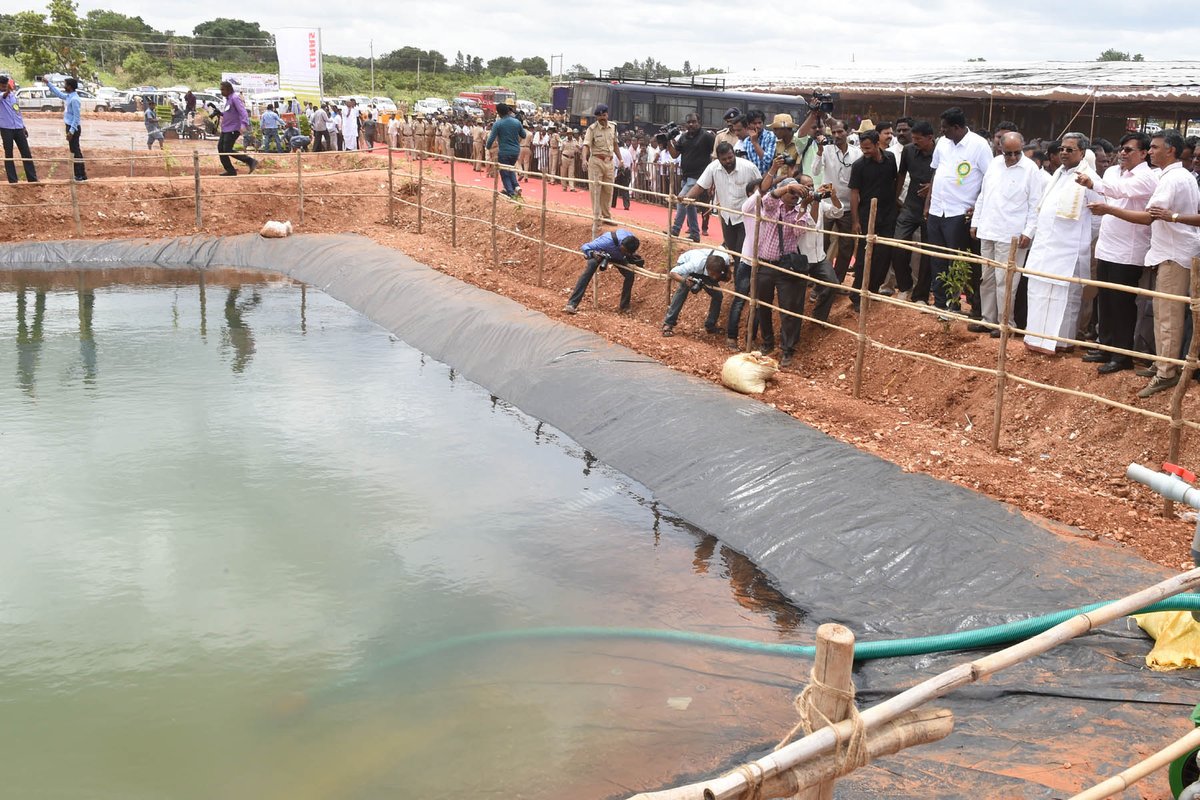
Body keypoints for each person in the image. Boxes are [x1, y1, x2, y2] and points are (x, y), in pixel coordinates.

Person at [1089, 131, 1200, 397]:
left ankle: (1166, 372)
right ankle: (1162, 363)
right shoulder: (1175, 176)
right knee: (1162, 312)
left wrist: (1110, 209)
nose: (1150, 152)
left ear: (1170, 150)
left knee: (1168, 315)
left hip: (1174, 253)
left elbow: (1148, 218)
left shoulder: (1173, 179)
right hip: (1168, 252)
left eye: (1154, 147)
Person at [1074, 132, 1157, 374]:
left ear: (1143, 154)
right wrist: (1096, 185)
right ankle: (1106, 346)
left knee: (1122, 303)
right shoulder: (1111, 173)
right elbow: (1110, 188)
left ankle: (1122, 355)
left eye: (1129, 149)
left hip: (1129, 251)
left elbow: (1121, 191)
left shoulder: (1146, 177)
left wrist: (1092, 183)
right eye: (1122, 148)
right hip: (1107, 246)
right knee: (1106, 300)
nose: (1123, 153)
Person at [1022, 132, 1099, 354]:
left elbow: (1098, 217)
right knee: (1038, 292)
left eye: (1070, 149)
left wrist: (1080, 238)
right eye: (1062, 149)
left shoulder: (1089, 178)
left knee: (1064, 298)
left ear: (1082, 152)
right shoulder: (1057, 173)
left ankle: (1061, 343)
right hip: (1044, 247)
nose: (1064, 152)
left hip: (1068, 250)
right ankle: (1036, 339)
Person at [969, 132, 1042, 334]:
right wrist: (976, 222)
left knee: (1007, 281)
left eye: (1016, 153)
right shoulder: (994, 164)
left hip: (1012, 235)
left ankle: (1006, 324)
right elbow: (984, 195)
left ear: (1023, 148)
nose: (1012, 158)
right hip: (988, 230)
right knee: (987, 279)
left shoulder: (1030, 170)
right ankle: (988, 320)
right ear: (1000, 149)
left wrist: (1029, 232)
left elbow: (1036, 204)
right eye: (1007, 153)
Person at [925, 107, 992, 312]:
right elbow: (936, 174)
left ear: (957, 127)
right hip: (937, 210)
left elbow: (989, 180)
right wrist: (928, 203)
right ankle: (940, 303)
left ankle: (954, 305)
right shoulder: (942, 143)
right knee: (937, 258)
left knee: (956, 260)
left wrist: (978, 208)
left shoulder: (979, 146)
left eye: (945, 128)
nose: (941, 131)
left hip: (959, 212)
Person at [847, 129, 899, 305]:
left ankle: (872, 291)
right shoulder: (859, 166)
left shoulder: (891, 159)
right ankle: (857, 296)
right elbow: (854, 193)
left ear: (878, 144)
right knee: (863, 257)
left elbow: (895, 181)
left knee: (884, 255)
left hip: (888, 214)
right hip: (866, 215)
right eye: (863, 148)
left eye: (868, 148)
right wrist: (855, 221)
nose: (865, 151)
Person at [894, 120, 936, 302]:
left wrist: (933, 187)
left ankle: (921, 295)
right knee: (898, 245)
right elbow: (901, 174)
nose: (915, 142)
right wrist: (895, 198)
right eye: (914, 138)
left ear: (930, 138)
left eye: (919, 139)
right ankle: (904, 285)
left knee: (927, 254)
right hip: (909, 206)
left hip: (932, 209)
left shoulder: (940, 153)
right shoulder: (909, 150)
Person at [815, 118, 860, 281]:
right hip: (827, 204)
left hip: (848, 207)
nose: (836, 135)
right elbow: (814, 170)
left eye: (840, 131)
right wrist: (820, 151)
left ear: (847, 132)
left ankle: (837, 281)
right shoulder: (826, 150)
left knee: (846, 247)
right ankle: (820, 280)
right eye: (833, 132)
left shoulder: (857, 153)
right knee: (822, 243)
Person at [562, 229, 643, 314]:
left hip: (618, 257)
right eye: (623, 250)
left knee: (630, 274)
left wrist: (627, 256)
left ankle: (624, 306)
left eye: (627, 252)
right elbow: (585, 246)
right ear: (621, 244)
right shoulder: (606, 241)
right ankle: (572, 304)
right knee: (590, 268)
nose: (624, 252)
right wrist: (593, 254)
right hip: (601, 253)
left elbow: (627, 252)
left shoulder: (632, 241)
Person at [667, 113, 716, 241]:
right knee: (690, 205)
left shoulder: (706, 137)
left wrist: (713, 177)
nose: (691, 124)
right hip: (686, 176)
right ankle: (695, 233)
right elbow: (674, 155)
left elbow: (716, 152)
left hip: (698, 178)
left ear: (699, 122)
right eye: (689, 122)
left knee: (682, 200)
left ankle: (675, 229)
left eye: (694, 122)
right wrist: (667, 141)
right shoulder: (683, 137)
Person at [661, 248, 732, 337]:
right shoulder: (694, 264)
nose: (714, 277)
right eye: (712, 274)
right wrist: (685, 281)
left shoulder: (724, 258)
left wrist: (723, 276)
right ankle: (668, 323)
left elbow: (728, 275)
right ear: (707, 269)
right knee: (683, 290)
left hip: (705, 271)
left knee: (718, 295)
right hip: (687, 265)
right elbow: (672, 273)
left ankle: (710, 325)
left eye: (716, 275)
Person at [582, 104, 620, 230]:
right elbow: (586, 145)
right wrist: (584, 159)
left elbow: (615, 145)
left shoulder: (613, 127)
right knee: (596, 190)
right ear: (597, 117)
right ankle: (597, 218)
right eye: (600, 116)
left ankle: (606, 216)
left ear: (607, 115)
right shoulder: (592, 129)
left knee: (608, 190)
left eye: (604, 115)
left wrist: (620, 159)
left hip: (609, 162)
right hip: (596, 161)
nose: (602, 118)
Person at [44, 77, 86, 182]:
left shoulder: (74, 99)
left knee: (75, 151)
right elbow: (58, 94)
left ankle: (80, 175)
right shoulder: (69, 96)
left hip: (73, 127)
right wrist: (48, 83)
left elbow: (76, 117)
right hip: (70, 126)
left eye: (65, 84)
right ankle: (80, 174)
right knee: (74, 150)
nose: (64, 86)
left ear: (70, 87)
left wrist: (71, 131)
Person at [216, 80, 258, 177]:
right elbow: (230, 113)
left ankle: (251, 161)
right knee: (221, 149)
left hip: (233, 128)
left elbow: (243, 112)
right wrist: (221, 114)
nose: (221, 92)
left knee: (227, 149)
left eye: (223, 90)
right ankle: (230, 170)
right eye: (221, 90)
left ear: (228, 89)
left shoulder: (235, 98)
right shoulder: (228, 99)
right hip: (226, 128)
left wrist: (243, 125)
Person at [0, 75, 37, 183]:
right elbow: (3, 95)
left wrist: (23, 126)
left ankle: (32, 179)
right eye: (2, 86)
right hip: (6, 128)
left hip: (18, 128)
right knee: (9, 154)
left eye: (6, 85)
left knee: (26, 153)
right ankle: (13, 180)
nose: (4, 87)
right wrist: (6, 91)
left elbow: (17, 111)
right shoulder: (3, 95)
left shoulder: (12, 96)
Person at [485, 103, 526, 199]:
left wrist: (487, 147)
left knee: (504, 173)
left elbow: (491, 139)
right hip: (515, 151)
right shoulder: (516, 122)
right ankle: (516, 186)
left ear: (498, 113)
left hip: (504, 151)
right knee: (511, 169)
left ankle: (511, 193)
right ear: (508, 111)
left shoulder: (498, 123)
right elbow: (523, 135)